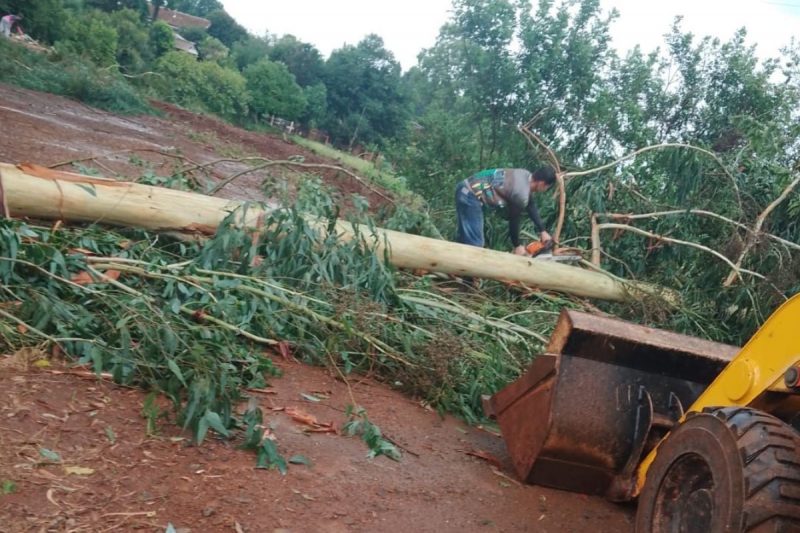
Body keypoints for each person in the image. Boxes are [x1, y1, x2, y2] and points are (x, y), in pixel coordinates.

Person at [455, 166, 556, 255]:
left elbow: (530, 205)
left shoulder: (524, 175)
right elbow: (514, 219)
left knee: (466, 239)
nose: (545, 190)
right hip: (470, 194)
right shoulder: (520, 192)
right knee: (475, 243)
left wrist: (542, 231)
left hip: (466, 189)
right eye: (547, 187)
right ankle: (466, 274)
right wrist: (517, 246)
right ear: (542, 184)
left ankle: (455, 267)